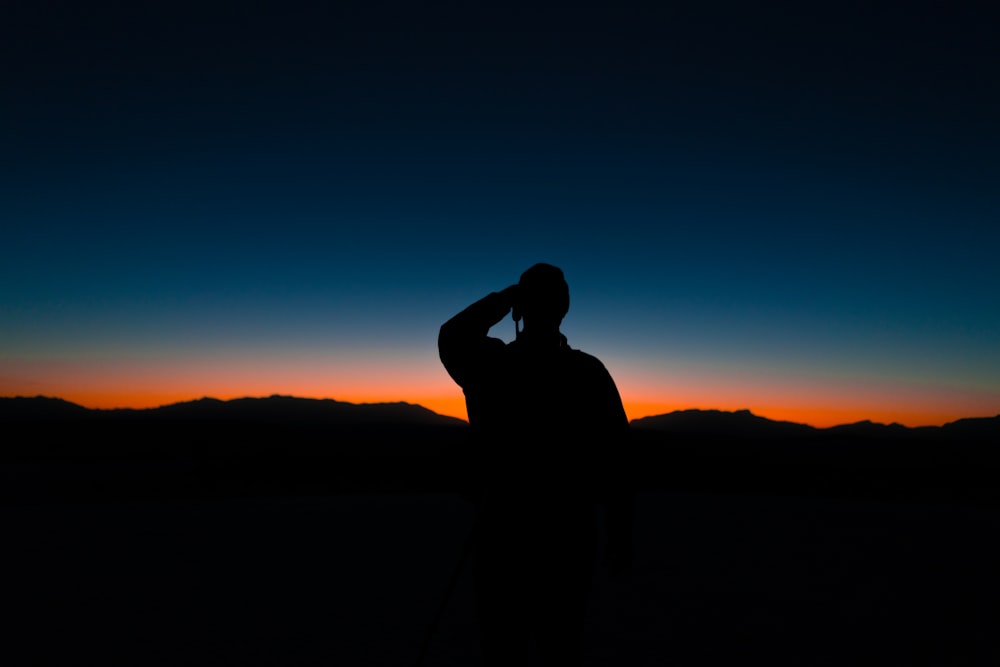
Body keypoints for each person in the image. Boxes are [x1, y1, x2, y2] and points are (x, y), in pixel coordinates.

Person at [438, 262, 634, 667]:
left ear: (520, 311)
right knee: (558, 647)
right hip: (565, 534)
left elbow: (453, 336)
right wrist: (620, 526)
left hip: (505, 530)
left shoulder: (491, 364)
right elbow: (617, 454)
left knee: (506, 647)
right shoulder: (588, 372)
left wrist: (507, 299)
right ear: (565, 309)